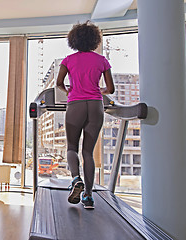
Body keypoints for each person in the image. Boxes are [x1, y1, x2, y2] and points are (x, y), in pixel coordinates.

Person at [56, 21, 115, 209]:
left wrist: (69, 91)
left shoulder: (68, 60)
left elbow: (59, 83)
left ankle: (76, 179)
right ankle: (88, 196)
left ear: (74, 40)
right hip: (96, 105)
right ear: (94, 40)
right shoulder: (102, 61)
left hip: (76, 104)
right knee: (88, 152)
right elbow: (110, 88)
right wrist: (99, 91)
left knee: (72, 147)